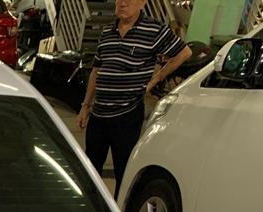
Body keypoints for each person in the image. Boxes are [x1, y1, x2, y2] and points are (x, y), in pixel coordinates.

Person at [77, 0, 191, 197]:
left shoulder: (154, 30)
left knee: (123, 170)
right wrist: (86, 105)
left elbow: (184, 53)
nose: (122, 3)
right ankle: (90, 207)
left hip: (127, 114)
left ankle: (119, 211)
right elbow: (97, 70)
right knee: (90, 170)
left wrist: (156, 78)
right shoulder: (107, 32)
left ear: (142, 3)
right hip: (99, 114)